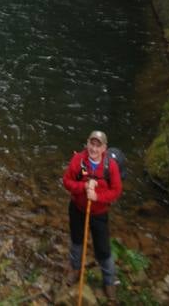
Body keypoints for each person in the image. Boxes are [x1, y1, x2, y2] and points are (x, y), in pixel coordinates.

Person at [62, 129, 122, 301]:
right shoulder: (78, 160)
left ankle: (109, 281)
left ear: (104, 148)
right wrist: (83, 187)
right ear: (87, 143)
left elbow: (116, 191)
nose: (94, 149)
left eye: (98, 145)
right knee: (76, 241)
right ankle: (75, 269)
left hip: (99, 213)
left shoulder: (110, 166)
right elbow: (66, 181)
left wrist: (97, 197)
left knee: (103, 249)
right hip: (77, 209)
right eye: (92, 143)